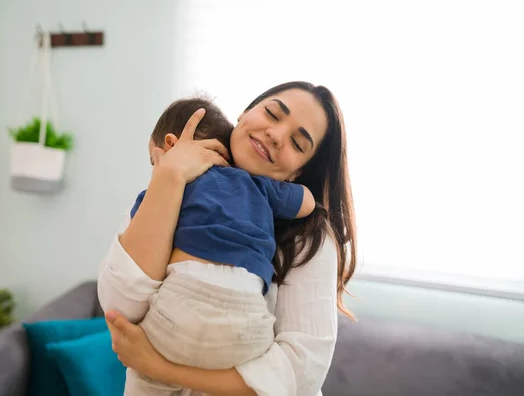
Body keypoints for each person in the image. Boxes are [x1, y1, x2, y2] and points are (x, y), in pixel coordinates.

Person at [98, 81, 357, 395]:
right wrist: (170, 175)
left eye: (297, 143)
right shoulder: (175, 181)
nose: (275, 135)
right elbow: (121, 307)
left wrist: (162, 369)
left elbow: (300, 373)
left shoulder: (311, 238)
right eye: (272, 114)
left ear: (297, 174)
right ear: (245, 113)